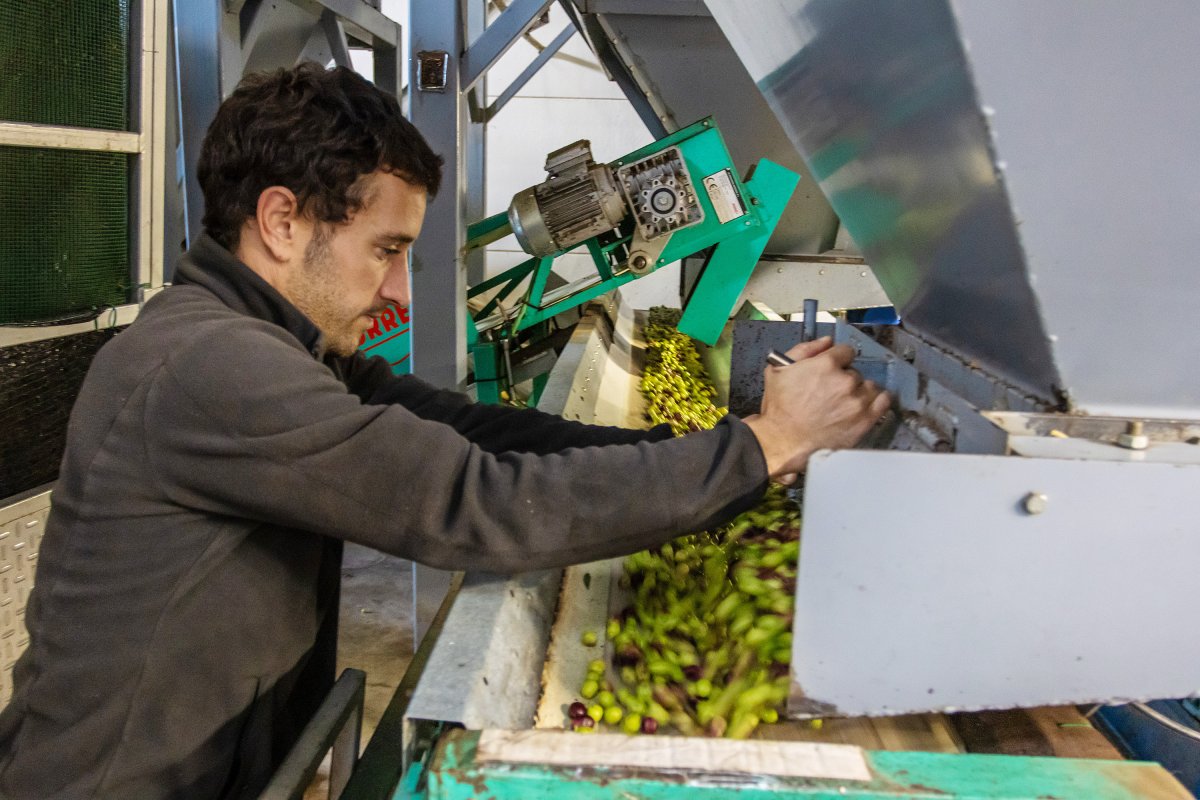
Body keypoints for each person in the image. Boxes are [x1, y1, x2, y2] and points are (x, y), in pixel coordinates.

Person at [0, 63, 888, 798]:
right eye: (385, 250)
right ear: (280, 222)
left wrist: (697, 457)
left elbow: (474, 433)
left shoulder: (273, 347)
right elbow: (471, 505)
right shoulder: (212, 368)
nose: (397, 292)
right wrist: (763, 447)